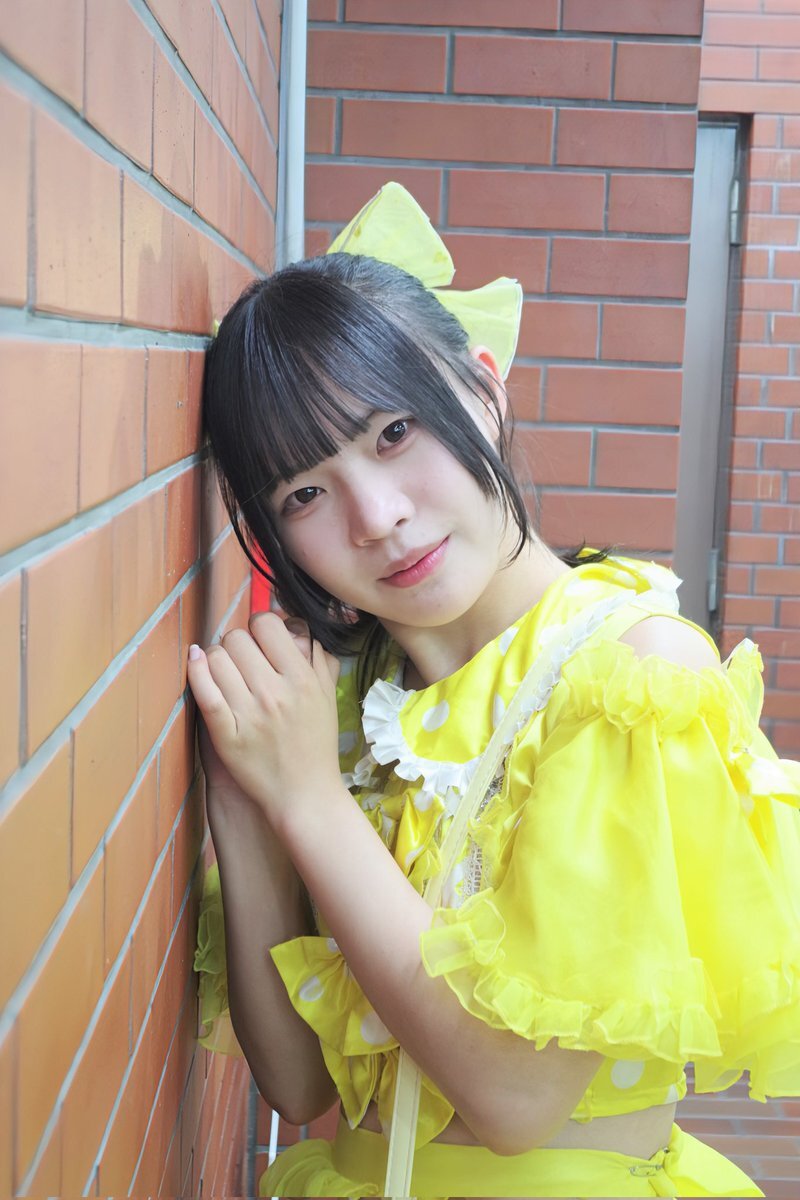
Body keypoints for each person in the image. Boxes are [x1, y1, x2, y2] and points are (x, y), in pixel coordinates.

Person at [188, 182, 800, 1198]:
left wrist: (307, 799)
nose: (377, 516)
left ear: (483, 389)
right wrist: (251, 804)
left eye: (393, 433)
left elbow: (515, 1098)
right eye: (305, 492)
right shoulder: (350, 707)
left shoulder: (630, 675)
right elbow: (298, 1082)